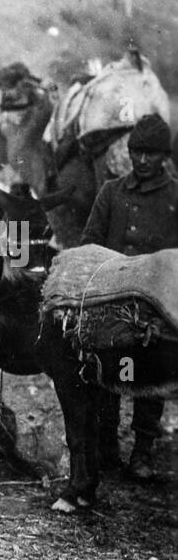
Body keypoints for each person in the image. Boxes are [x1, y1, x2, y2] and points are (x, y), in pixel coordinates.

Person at [80, 113, 178, 479]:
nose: (141, 160)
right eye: (136, 151)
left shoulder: (175, 197)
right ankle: (107, 446)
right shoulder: (112, 192)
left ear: (164, 156)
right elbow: (89, 244)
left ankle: (143, 452)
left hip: (158, 306)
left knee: (150, 379)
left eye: (150, 154)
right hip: (112, 301)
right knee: (108, 374)